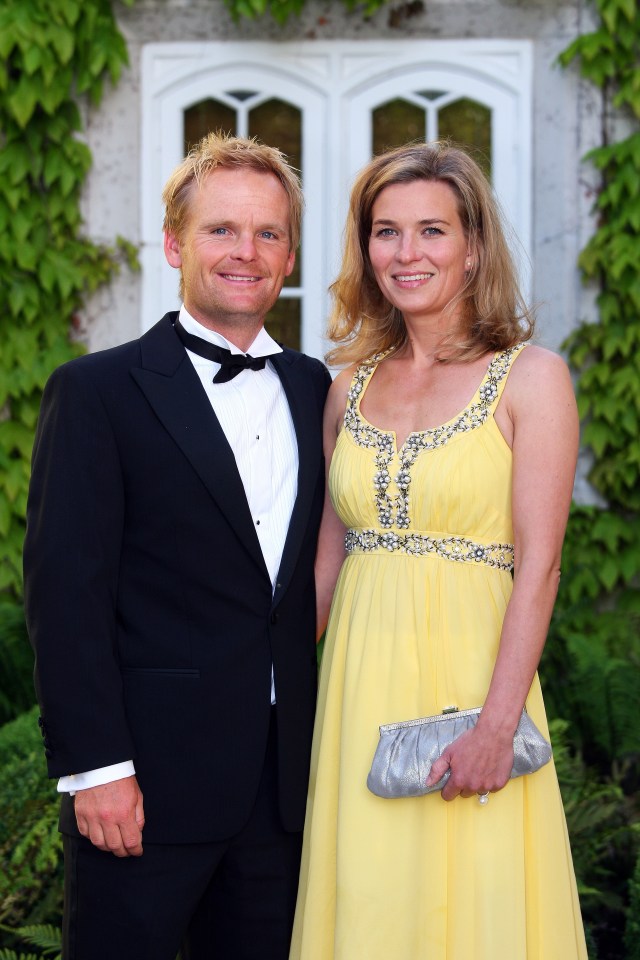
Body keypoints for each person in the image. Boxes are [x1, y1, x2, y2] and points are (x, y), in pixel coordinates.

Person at [23, 132, 331, 960]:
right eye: (221, 230)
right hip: (145, 790)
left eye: (268, 233)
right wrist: (97, 771)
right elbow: (65, 597)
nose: (246, 252)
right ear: (174, 245)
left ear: (290, 255)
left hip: (287, 795)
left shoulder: (319, 390)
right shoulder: (95, 392)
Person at [289, 141, 588, 959]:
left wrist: (498, 724)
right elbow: (326, 561)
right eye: (386, 232)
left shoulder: (532, 379)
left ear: (474, 247)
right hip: (357, 691)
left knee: (474, 908)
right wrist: (264, 686)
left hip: (473, 687)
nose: (407, 253)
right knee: (371, 904)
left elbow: (542, 565)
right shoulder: (345, 386)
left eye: (431, 231)